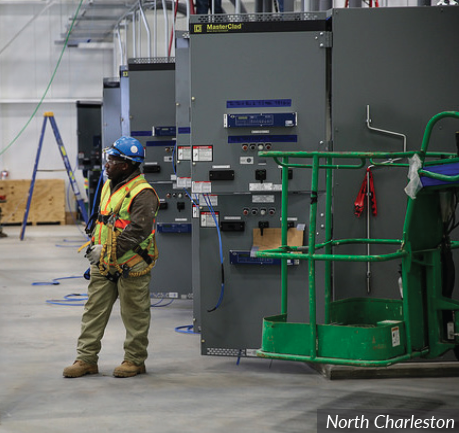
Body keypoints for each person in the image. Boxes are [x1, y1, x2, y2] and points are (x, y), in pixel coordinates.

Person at [63, 136, 159, 378]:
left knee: (135, 314)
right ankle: (85, 359)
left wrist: (105, 252)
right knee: (93, 310)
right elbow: (104, 219)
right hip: (105, 263)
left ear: (125, 165)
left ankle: (134, 360)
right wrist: (96, 245)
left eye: (112, 160)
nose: (106, 163)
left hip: (132, 263)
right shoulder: (110, 184)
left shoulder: (143, 193)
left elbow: (138, 231)